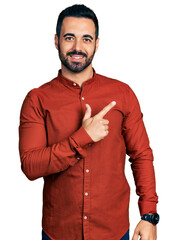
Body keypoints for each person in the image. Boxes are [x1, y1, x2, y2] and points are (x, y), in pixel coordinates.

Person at [19, 4, 159, 240]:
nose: (77, 47)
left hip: (114, 231)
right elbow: (30, 166)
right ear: (56, 41)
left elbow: (141, 155)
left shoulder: (122, 94)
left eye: (86, 39)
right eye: (69, 37)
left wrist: (148, 216)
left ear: (96, 43)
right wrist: (82, 138)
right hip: (59, 233)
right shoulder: (37, 99)